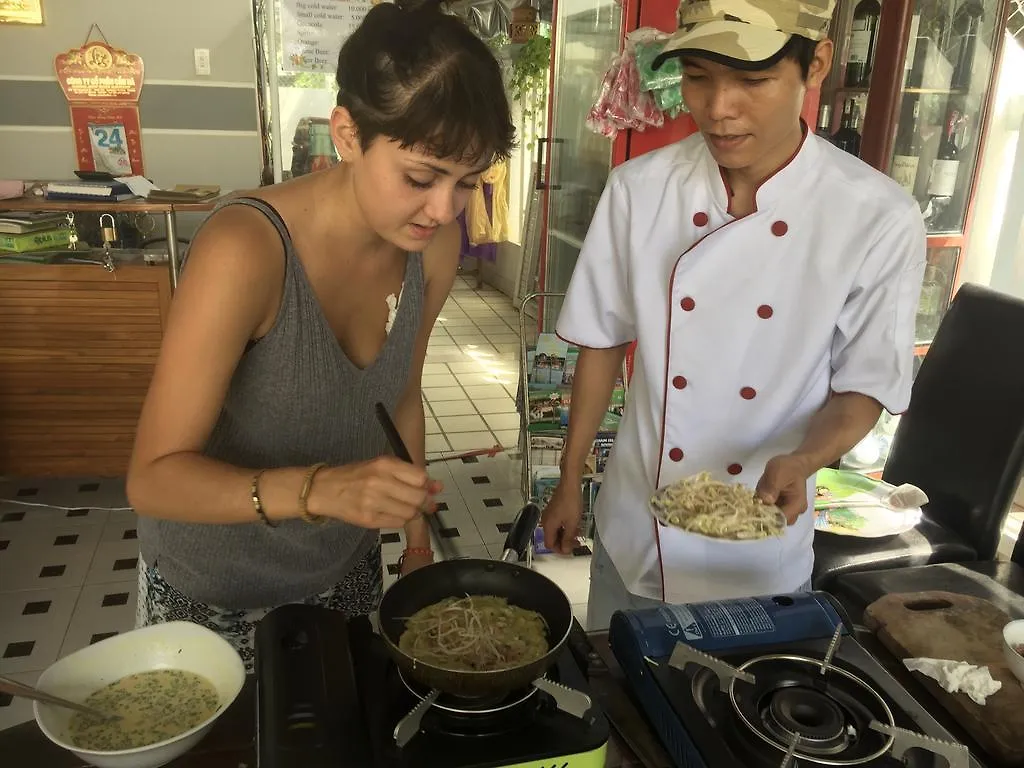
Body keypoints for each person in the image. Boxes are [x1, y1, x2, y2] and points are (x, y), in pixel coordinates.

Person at [126, 0, 515, 669]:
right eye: (421, 178)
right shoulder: (246, 250)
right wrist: (320, 490)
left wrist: (417, 546)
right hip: (212, 592)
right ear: (347, 134)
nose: (444, 209)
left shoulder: (436, 247)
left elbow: (401, 399)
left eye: (467, 182)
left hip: (344, 576)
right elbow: (153, 479)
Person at [541, 0, 926, 629]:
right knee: (626, 698)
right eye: (698, 77)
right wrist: (567, 479)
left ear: (817, 64)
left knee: (739, 711)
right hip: (637, 525)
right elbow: (602, 341)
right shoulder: (641, 188)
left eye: (753, 80)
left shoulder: (876, 216)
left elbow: (864, 385)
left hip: (761, 542)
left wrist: (807, 460)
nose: (719, 108)